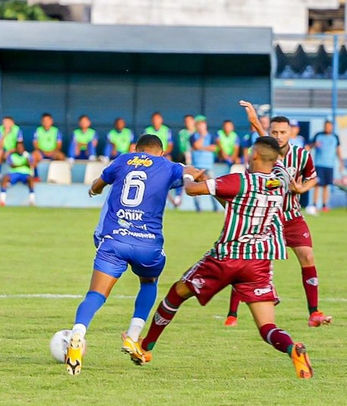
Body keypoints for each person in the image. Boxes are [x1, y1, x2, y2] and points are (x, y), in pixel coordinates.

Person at [122, 136, 313, 379]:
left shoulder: (239, 180)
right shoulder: (281, 180)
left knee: (175, 294)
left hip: (227, 257)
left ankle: (145, 347)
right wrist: (211, 183)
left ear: (254, 156)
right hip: (259, 262)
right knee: (267, 327)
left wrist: (192, 176)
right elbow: (234, 202)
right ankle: (292, 349)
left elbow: (191, 191)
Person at [63, 133, 205, 375]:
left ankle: (77, 335)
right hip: (147, 245)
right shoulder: (169, 166)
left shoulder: (123, 160)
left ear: (136, 149)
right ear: (160, 151)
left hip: (114, 240)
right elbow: (195, 172)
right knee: (149, 283)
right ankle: (132, 336)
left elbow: (98, 184)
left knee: (96, 294)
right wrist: (192, 174)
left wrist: (94, 191)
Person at [231, 102, 331, 328]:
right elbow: (257, 128)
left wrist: (302, 189)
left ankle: (314, 312)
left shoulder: (301, 155)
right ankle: (232, 314)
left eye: (282, 132)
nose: (278, 136)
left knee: (307, 257)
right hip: (266, 217)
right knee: (246, 259)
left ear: (291, 133)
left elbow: (312, 177)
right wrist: (253, 117)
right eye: (274, 132)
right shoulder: (264, 153)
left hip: (291, 216)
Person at [310, 119, 344, 214]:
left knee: (326, 186)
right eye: (326, 126)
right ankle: (314, 204)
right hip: (319, 164)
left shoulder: (335, 137)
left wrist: (341, 163)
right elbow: (309, 146)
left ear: (332, 127)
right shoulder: (318, 135)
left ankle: (325, 205)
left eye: (329, 126)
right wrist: (314, 145)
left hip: (329, 165)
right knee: (317, 184)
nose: (327, 128)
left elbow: (338, 151)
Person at [188, 116, 217, 212]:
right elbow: (196, 145)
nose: (201, 127)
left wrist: (202, 147)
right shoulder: (193, 136)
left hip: (208, 165)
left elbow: (214, 148)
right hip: (197, 165)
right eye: (199, 125)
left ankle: (215, 207)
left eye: (202, 124)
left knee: (213, 186)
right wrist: (202, 136)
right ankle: (198, 208)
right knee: (196, 187)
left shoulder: (212, 136)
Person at [0, 139, 36, 206]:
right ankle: (2, 200)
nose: (20, 149)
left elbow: (30, 165)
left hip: (25, 174)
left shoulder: (27, 155)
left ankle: (32, 200)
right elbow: (12, 165)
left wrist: (27, 159)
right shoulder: (12, 156)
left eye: (21, 147)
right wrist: (23, 164)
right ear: (16, 148)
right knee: (5, 178)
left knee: (31, 179)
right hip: (14, 173)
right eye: (18, 148)